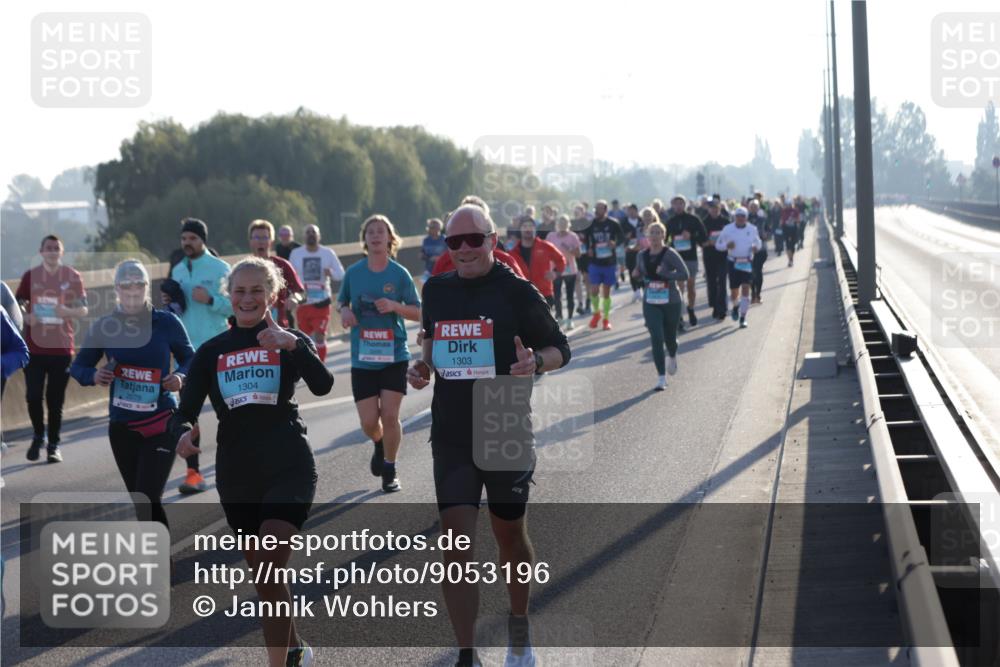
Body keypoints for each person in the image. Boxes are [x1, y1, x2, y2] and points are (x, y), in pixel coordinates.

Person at [407, 204, 571, 667]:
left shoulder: (517, 292)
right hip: (453, 432)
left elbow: (562, 347)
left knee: (510, 539)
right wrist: (422, 365)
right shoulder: (435, 290)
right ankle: (467, 653)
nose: (462, 250)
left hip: (503, 424)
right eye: (453, 242)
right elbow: (430, 342)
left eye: (472, 240)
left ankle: (520, 630)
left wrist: (535, 362)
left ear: (492, 240)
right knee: (455, 545)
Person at [173, 257, 333, 667]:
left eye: (256, 290)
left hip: (289, 463)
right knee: (265, 579)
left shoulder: (290, 339)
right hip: (237, 472)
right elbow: (185, 409)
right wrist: (182, 432)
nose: (247, 298)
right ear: (229, 295)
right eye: (240, 291)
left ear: (273, 293)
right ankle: (295, 648)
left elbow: (322, 384)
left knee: (269, 569)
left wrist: (294, 347)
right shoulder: (212, 351)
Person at [71, 260, 194, 531]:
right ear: (117, 288)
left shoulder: (166, 322)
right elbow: (78, 366)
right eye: (126, 284)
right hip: (123, 426)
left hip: (162, 420)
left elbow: (190, 358)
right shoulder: (105, 326)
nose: (133, 289)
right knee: (141, 502)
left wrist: (180, 377)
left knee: (148, 497)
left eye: (139, 283)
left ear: (147, 287)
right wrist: (93, 376)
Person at [337, 215, 421, 493]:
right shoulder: (354, 273)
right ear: (365, 239)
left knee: (390, 414)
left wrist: (395, 306)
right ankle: (377, 442)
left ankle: (390, 467)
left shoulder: (399, 274)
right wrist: (345, 311)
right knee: (369, 422)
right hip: (363, 357)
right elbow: (342, 303)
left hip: (394, 354)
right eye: (370, 231)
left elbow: (419, 312)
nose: (375, 235)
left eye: (380, 231)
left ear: (389, 238)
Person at [167, 218, 232, 494]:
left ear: (202, 240)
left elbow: (235, 306)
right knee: (188, 416)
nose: (187, 243)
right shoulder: (178, 269)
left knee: (228, 413)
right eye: (184, 239)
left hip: (217, 349)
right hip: (188, 356)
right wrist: (171, 306)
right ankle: (194, 474)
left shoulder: (220, 269)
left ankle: (233, 464)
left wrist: (211, 300)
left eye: (192, 238)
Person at [16, 235, 88, 463]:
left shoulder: (72, 276)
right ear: (41, 251)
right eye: (48, 248)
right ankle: (39, 434)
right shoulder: (30, 276)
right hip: (34, 348)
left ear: (62, 252)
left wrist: (66, 312)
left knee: (55, 401)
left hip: (61, 348)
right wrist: (27, 317)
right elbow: (17, 304)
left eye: (56, 248)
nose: (52, 251)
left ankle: (54, 446)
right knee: (33, 396)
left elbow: (83, 309)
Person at [632, 215, 689, 391]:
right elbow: (639, 272)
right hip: (651, 300)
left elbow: (684, 274)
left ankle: (672, 352)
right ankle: (661, 377)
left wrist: (666, 273)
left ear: (664, 235)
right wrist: (636, 274)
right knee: (656, 337)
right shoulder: (642, 255)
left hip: (670, 299)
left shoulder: (670, 253)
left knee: (670, 338)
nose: (655, 236)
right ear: (648, 236)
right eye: (652, 233)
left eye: (658, 232)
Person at [289, 224, 345, 362]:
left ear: (319, 236)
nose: (311, 234)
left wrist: (330, 273)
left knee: (320, 335)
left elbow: (341, 275)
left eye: (314, 232)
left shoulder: (328, 253)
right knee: (304, 338)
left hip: (322, 302)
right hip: (303, 301)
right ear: (304, 236)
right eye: (308, 232)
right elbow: (290, 276)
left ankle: (321, 365)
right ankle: (309, 366)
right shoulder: (296, 254)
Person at [248, 219, 305, 328]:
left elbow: (302, 294)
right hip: (252, 328)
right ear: (250, 241)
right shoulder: (243, 269)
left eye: (265, 237)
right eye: (256, 237)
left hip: (280, 328)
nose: (261, 242)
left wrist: (295, 298)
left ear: (271, 241)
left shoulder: (283, 265)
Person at [715, 207, 762, 329]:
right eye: (738, 216)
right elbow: (718, 245)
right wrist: (726, 245)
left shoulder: (752, 229)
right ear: (735, 217)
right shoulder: (727, 229)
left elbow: (758, 242)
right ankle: (735, 306)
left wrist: (756, 248)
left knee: (746, 288)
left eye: (743, 216)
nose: (740, 219)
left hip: (747, 261)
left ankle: (743, 317)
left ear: (746, 217)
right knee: (734, 291)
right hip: (733, 262)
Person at [664, 195, 707, 327]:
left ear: (685, 205)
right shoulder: (670, 222)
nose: (678, 206)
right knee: (679, 287)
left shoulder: (693, 219)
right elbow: (664, 240)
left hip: (691, 257)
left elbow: (703, 236)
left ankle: (691, 308)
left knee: (690, 286)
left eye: (680, 203)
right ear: (672, 205)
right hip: (676, 258)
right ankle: (680, 316)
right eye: (675, 204)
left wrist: (692, 236)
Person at [583, 200, 624, 330]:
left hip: (609, 262)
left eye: (599, 209)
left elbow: (621, 238)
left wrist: (614, 243)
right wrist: (588, 248)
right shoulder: (591, 224)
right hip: (595, 262)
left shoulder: (613, 223)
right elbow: (584, 239)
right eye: (595, 209)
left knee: (606, 293)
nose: (596, 211)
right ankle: (596, 313)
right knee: (594, 290)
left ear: (605, 210)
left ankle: (606, 319)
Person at [512, 218, 566, 315]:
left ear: (535, 229)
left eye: (531, 226)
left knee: (542, 326)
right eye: (524, 226)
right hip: (523, 294)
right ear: (520, 229)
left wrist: (555, 273)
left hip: (544, 293)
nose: (528, 229)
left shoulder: (545, 246)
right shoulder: (513, 252)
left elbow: (561, 260)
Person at [548, 214, 582, 329]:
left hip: (570, 270)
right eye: (560, 222)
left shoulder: (573, 236)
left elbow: (578, 254)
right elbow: (546, 252)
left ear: (568, 224)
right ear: (557, 224)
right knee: (556, 295)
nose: (562, 225)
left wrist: (569, 249)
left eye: (565, 222)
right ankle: (560, 317)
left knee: (569, 296)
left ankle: (570, 319)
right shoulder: (551, 236)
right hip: (556, 269)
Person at [700, 201, 729, 321]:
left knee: (722, 281)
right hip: (709, 256)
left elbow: (731, 237)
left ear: (720, 208)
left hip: (723, 256)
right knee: (712, 282)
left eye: (716, 208)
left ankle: (722, 308)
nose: (714, 211)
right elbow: (699, 239)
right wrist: (706, 243)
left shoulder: (726, 222)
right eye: (712, 209)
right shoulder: (704, 222)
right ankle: (714, 306)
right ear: (708, 209)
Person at [621, 203, 645, 303]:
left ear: (636, 210)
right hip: (629, 250)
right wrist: (625, 238)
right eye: (629, 210)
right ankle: (636, 290)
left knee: (642, 269)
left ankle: (644, 289)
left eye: (633, 210)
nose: (631, 212)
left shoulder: (642, 221)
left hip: (642, 249)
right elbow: (619, 236)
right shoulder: (623, 222)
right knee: (631, 269)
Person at [572, 204, 592, 316]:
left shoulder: (588, 224)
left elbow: (591, 239)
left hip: (586, 256)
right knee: (577, 280)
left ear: (583, 212)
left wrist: (590, 248)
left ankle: (588, 302)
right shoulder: (571, 224)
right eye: (575, 212)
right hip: (575, 256)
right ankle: (580, 303)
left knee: (587, 279)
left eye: (579, 211)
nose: (576, 213)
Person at [748, 200, 769, 304]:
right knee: (751, 273)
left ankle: (758, 294)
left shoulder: (762, 219)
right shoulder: (745, 219)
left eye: (755, 207)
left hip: (761, 249)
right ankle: (753, 293)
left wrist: (767, 235)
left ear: (758, 208)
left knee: (758, 271)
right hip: (748, 250)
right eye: (751, 207)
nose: (753, 209)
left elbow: (769, 230)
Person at [420, 218, 448, 282]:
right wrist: (423, 255)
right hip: (429, 270)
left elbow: (448, 254)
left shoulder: (444, 239)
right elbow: (422, 252)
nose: (430, 229)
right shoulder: (426, 240)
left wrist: (439, 258)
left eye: (433, 227)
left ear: (439, 228)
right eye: (429, 227)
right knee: (425, 285)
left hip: (442, 271)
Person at [780, 199, 800, 267]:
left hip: (793, 229)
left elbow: (798, 220)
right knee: (788, 245)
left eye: (789, 204)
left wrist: (793, 220)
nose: (788, 206)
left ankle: (791, 257)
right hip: (786, 229)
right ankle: (790, 260)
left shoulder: (795, 211)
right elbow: (782, 220)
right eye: (786, 205)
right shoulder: (783, 211)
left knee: (793, 245)